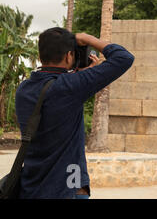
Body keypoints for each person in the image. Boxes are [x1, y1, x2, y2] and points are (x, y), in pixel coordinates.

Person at [15, 27, 134, 199]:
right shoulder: (71, 86)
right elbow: (124, 58)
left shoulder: (23, 89)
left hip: (31, 188)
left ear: (40, 57)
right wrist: (87, 38)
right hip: (68, 190)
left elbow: (54, 90)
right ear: (69, 56)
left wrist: (79, 76)